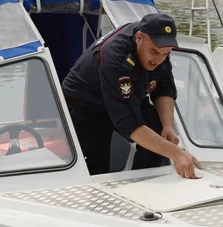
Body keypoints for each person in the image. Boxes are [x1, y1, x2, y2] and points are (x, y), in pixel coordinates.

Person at [61, 13, 201, 179]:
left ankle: (145, 181)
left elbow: (164, 88)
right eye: (154, 52)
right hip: (87, 105)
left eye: (165, 54)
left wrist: (168, 127)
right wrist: (177, 154)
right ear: (139, 38)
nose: (158, 59)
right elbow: (128, 122)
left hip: (128, 97)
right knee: (96, 168)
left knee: (156, 127)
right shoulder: (115, 57)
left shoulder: (159, 46)